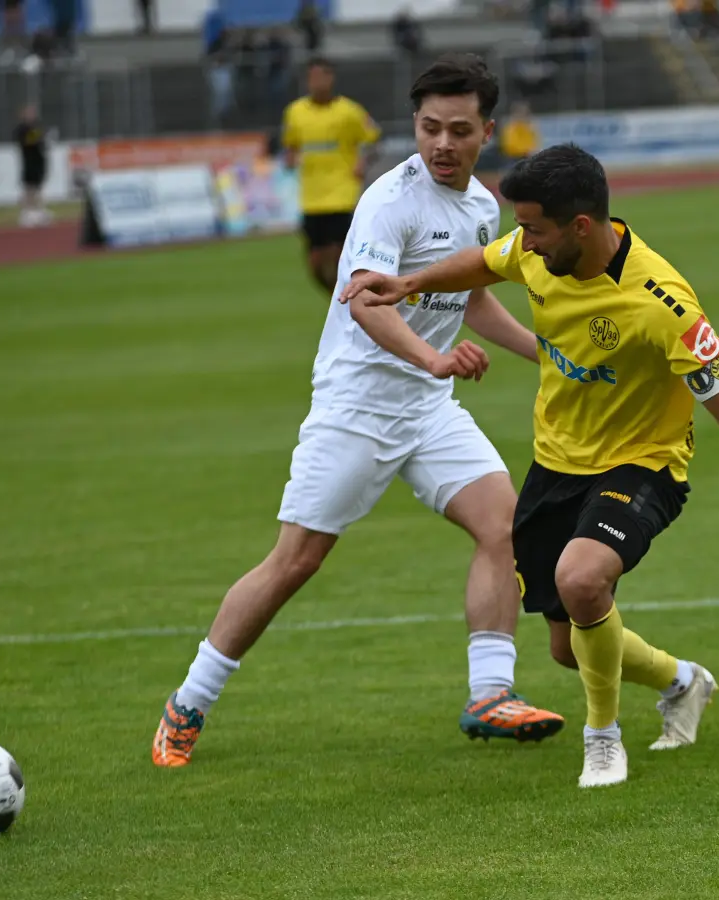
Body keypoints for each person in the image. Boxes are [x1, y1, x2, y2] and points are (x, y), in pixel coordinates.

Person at [151, 55, 566, 769]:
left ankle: (490, 695)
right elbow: (367, 302)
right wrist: (435, 359)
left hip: (426, 409)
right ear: (413, 125)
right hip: (357, 408)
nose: (441, 143)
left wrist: (550, 355)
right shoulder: (387, 203)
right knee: (296, 561)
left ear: (487, 132)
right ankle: (187, 704)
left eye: (458, 130)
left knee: (505, 525)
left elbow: (471, 300)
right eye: (429, 127)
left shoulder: (481, 207)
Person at [341, 143, 719, 789]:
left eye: (533, 226)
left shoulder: (664, 304)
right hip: (557, 463)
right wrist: (411, 282)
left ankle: (602, 739)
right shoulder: (535, 252)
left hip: (644, 465)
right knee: (566, 645)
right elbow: (483, 261)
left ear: (581, 226)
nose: (522, 240)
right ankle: (682, 681)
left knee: (583, 581)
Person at [281, 58, 380, 294]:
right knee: (315, 262)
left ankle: (346, 300)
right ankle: (337, 300)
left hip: (341, 193)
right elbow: (291, 146)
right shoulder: (295, 112)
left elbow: (374, 142)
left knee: (338, 256)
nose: (318, 82)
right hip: (312, 197)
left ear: (331, 79)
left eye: (322, 77)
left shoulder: (349, 111)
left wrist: (362, 162)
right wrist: (290, 158)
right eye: (313, 77)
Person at [15, 104, 50, 227]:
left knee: (38, 188)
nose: (32, 115)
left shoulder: (37, 126)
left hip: (39, 161)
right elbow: (27, 141)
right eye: (29, 113)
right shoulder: (21, 128)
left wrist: (41, 136)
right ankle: (26, 213)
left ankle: (39, 212)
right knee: (29, 188)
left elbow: (43, 139)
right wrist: (38, 136)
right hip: (28, 162)